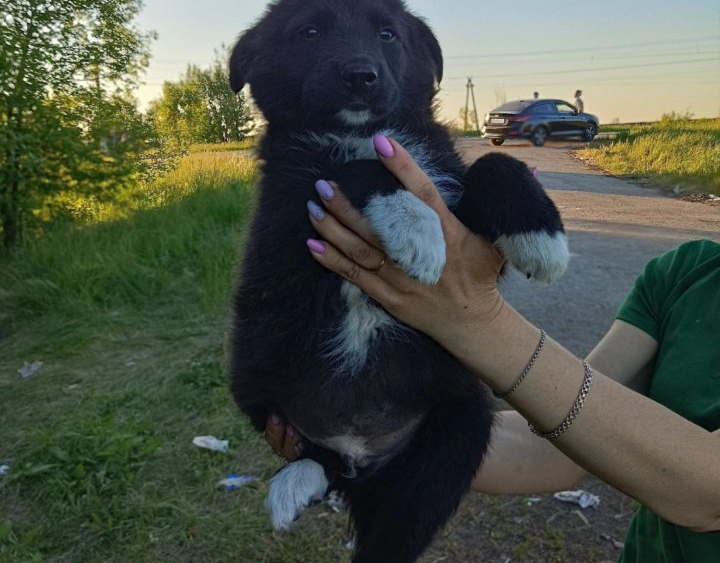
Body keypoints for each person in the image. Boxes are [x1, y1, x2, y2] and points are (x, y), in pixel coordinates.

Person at [265, 136, 720, 562]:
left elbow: (709, 494)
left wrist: (476, 321)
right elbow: (568, 441)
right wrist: (362, 440)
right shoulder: (685, 275)